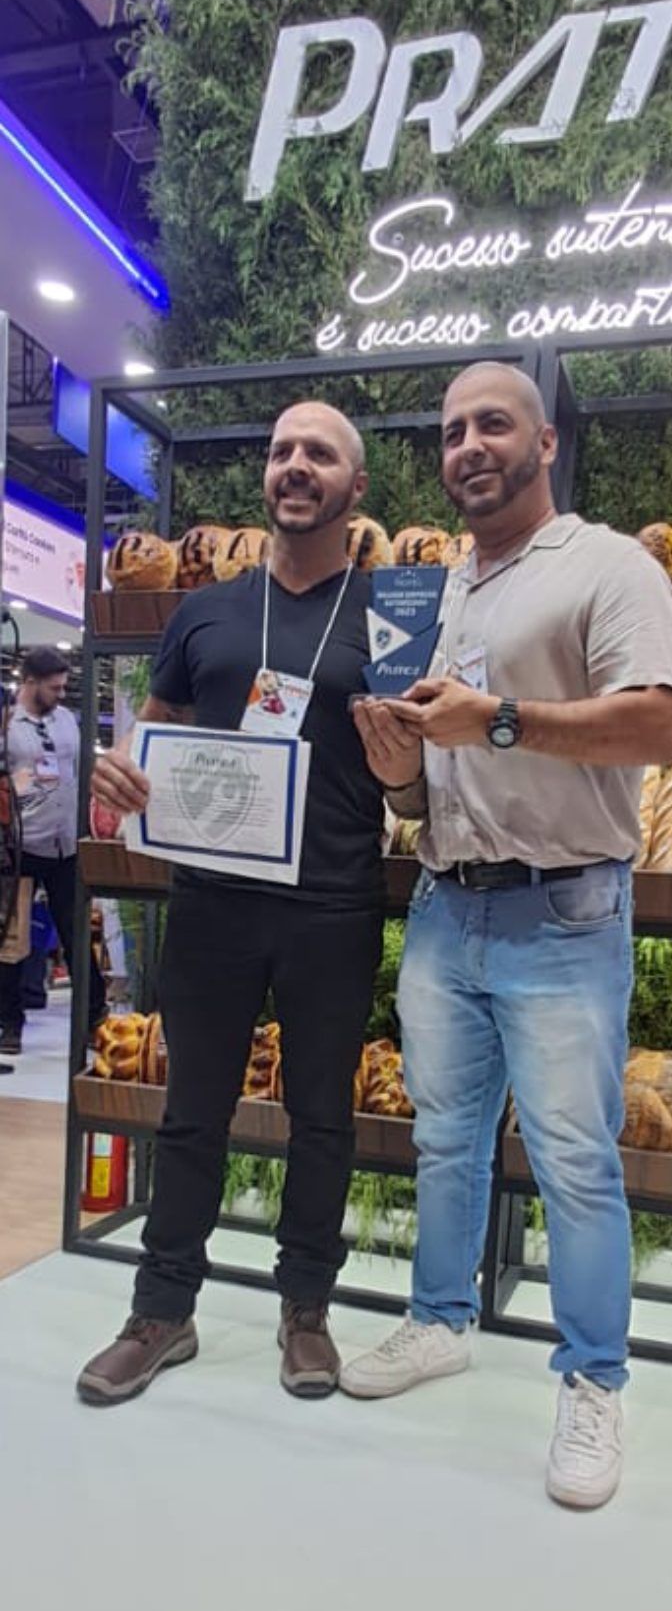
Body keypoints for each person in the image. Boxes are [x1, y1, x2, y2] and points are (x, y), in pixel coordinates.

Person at [346, 361, 672, 1510]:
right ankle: (440, 1319)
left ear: (546, 440)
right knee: (447, 1138)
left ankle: (595, 1383)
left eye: (493, 423)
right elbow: (432, 775)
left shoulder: (609, 565)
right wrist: (401, 777)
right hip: (447, 903)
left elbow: (658, 724)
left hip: (564, 908)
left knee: (577, 1165)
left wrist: (496, 719)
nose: (468, 445)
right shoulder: (438, 590)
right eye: (450, 431)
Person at [77, 402, 386, 1406]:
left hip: (333, 903)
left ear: (355, 487)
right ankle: (162, 1310)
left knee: (322, 1117)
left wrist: (414, 770)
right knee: (191, 1112)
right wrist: (119, 777)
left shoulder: (388, 619)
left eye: (318, 454)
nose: (295, 466)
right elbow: (148, 739)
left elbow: (414, 778)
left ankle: (306, 1308)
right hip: (210, 901)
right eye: (282, 450)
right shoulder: (204, 611)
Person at [1, 646, 100, 1055]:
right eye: (54, 687)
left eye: (64, 687)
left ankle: (95, 1017)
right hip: (20, 847)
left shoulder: (68, 721)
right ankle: (9, 1024)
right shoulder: (7, 725)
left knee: (77, 934)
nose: (61, 693)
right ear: (29, 683)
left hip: (65, 845)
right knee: (13, 939)